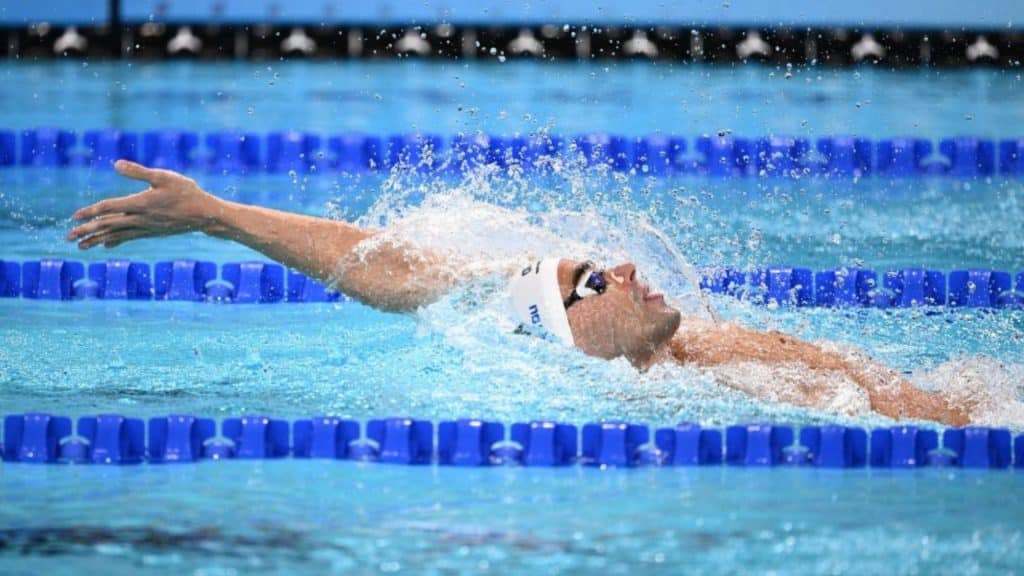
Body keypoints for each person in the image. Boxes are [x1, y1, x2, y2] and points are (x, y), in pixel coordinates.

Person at [67, 160, 971, 426]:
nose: (618, 267)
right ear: (572, 339)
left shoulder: (684, 356)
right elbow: (403, 282)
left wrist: (221, 214)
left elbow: (405, 269)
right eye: (590, 282)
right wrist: (217, 218)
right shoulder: (689, 394)